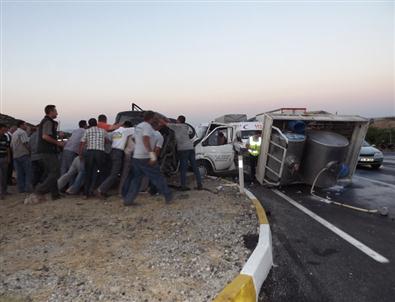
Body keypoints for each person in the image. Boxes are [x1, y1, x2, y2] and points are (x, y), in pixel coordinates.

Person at [122, 111, 172, 205]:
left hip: (136, 157)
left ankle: (128, 200)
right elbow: (147, 141)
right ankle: (168, 195)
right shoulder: (155, 133)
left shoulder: (139, 126)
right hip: (145, 157)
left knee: (136, 179)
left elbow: (133, 138)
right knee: (158, 177)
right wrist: (152, 155)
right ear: (152, 119)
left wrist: (139, 146)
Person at [26, 105, 64, 203]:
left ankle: (55, 194)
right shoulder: (48, 121)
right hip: (48, 151)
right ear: (50, 111)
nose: (57, 113)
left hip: (45, 151)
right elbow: (45, 136)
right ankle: (39, 191)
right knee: (55, 172)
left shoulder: (45, 121)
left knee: (51, 172)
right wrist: (58, 142)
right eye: (55, 111)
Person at [97, 121, 134, 198]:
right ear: (127, 126)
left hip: (112, 151)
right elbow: (136, 129)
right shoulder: (126, 130)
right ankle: (100, 189)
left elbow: (107, 137)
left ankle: (103, 190)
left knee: (111, 173)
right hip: (118, 152)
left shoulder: (115, 131)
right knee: (114, 174)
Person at [168, 115, 202, 191]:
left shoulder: (177, 126)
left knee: (183, 168)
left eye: (177, 119)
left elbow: (165, 124)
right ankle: (200, 184)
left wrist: (160, 120)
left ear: (179, 120)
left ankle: (183, 186)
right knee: (195, 167)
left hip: (183, 150)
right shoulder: (185, 127)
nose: (176, 121)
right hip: (191, 148)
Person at [80, 118, 109, 199]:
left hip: (90, 153)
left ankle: (86, 194)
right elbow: (107, 141)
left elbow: (82, 143)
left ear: (89, 124)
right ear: (96, 123)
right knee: (102, 172)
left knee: (88, 173)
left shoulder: (87, 131)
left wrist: (80, 154)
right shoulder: (103, 131)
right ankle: (102, 191)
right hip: (100, 153)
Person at [11, 120, 31, 193]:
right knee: (28, 172)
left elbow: (11, 146)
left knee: (19, 173)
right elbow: (26, 143)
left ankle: (21, 189)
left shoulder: (14, 133)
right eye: (25, 124)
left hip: (15, 155)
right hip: (23, 154)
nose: (26, 126)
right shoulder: (22, 132)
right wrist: (30, 151)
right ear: (21, 125)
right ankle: (27, 188)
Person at [0, 123, 10, 199]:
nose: (5, 130)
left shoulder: (5, 137)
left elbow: (7, 148)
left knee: (4, 176)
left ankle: (4, 191)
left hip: (4, 158)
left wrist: (8, 157)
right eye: (4, 129)